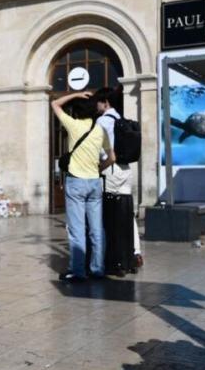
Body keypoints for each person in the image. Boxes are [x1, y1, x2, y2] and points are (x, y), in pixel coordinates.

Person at [51, 91, 115, 282]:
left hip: (76, 181)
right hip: (95, 182)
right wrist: (99, 167)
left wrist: (76, 94)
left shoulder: (74, 125)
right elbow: (112, 158)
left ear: (77, 112)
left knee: (77, 230)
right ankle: (97, 269)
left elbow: (55, 104)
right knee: (96, 229)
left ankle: (78, 271)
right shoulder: (99, 130)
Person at [94, 87, 144, 275]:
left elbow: (100, 148)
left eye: (98, 102)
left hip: (110, 170)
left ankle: (115, 259)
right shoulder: (121, 120)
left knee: (111, 215)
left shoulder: (103, 121)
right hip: (126, 170)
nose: (96, 106)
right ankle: (135, 253)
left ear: (105, 102)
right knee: (127, 213)